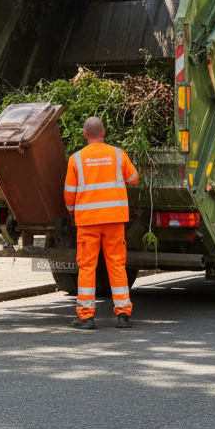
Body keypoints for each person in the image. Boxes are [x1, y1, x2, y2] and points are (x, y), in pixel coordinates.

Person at [63, 116, 139, 330]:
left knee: (87, 266)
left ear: (85, 135)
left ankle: (86, 316)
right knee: (116, 264)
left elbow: (69, 193)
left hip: (88, 222)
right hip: (114, 220)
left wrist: (72, 212)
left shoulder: (76, 159)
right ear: (103, 132)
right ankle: (123, 313)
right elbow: (133, 178)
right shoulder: (117, 154)